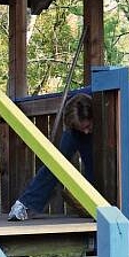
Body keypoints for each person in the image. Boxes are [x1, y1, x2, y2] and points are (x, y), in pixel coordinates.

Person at [8, 93, 93, 221]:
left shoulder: (104, 94)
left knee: (93, 163)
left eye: (87, 127)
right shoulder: (75, 122)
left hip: (102, 124)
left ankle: (94, 203)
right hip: (74, 131)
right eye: (83, 128)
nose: (86, 131)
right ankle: (24, 205)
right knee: (56, 163)